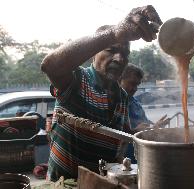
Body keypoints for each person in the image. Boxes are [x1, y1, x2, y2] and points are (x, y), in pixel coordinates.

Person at [40, 5, 162, 181]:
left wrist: (147, 134)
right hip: (65, 184)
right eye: (111, 50)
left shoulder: (121, 96)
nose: (120, 59)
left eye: (125, 54)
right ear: (93, 55)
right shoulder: (78, 80)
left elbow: (121, 135)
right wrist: (114, 33)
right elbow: (49, 66)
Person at [119, 64, 169, 163]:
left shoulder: (136, 104)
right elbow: (113, 134)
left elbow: (145, 127)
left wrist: (155, 126)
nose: (135, 88)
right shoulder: (112, 103)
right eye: (131, 83)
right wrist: (134, 131)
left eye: (137, 85)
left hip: (140, 159)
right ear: (119, 80)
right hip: (122, 162)